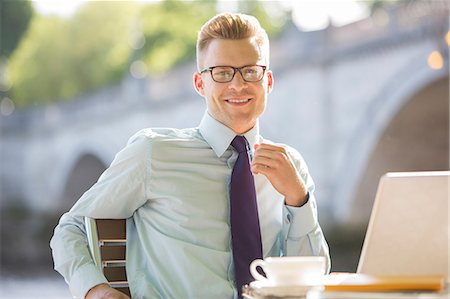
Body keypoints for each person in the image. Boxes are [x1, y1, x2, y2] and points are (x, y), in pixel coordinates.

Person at [50, 12, 330, 299]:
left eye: (250, 71)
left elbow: (313, 279)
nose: (237, 85)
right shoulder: (153, 153)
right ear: (200, 83)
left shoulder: (290, 166)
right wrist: (96, 291)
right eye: (222, 72)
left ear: (267, 81)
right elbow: (70, 229)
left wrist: (298, 199)